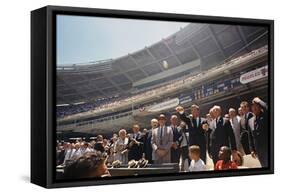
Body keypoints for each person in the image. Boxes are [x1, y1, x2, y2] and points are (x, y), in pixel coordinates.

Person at [249, 97, 268, 167]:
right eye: (253, 107)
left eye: (257, 106)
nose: (254, 108)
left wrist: (259, 101)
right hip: (259, 151)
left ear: (260, 107)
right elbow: (250, 136)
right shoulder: (250, 120)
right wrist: (252, 149)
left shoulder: (265, 116)